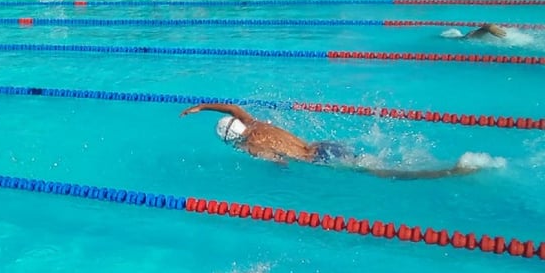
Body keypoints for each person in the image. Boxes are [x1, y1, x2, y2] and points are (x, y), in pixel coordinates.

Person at [178, 103, 480, 179]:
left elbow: (280, 162)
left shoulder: (250, 145)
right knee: (372, 158)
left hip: (320, 160)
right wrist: (201, 108)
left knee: (379, 171)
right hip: (324, 145)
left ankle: (449, 171)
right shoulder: (253, 122)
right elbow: (230, 108)